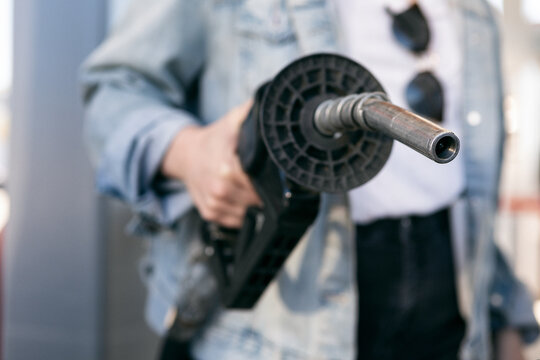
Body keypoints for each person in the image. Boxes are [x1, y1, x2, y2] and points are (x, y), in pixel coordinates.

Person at [81, 0, 539, 359]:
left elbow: (469, 197)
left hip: (448, 313)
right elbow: (113, 90)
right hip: (286, 328)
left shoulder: (475, 10)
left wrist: (502, 318)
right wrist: (188, 153)